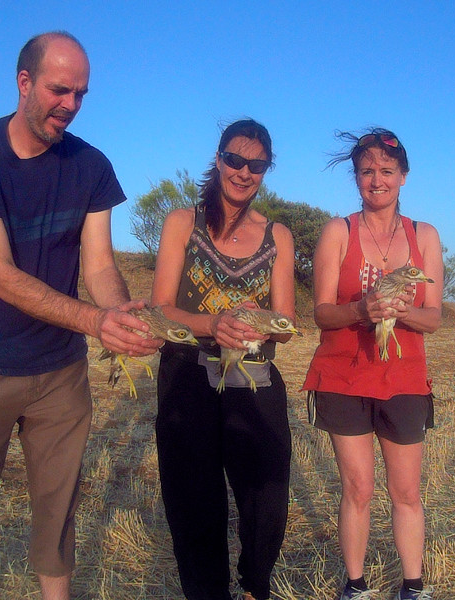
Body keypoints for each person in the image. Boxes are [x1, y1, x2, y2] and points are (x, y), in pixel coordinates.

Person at [0, 31, 161, 600]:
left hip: (59, 371)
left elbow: (100, 265)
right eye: (60, 90)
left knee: (58, 509)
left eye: (81, 94)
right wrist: (94, 323)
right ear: (24, 82)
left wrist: (120, 315)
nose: (71, 105)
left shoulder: (91, 165)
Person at [150, 119, 296, 600]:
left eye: (255, 164)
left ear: (265, 170)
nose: (243, 171)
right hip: (187, 377)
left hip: (253, 378)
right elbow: (160, 311)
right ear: (218, 159)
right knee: (194, 501)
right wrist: (214, 323)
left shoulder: (278, 236)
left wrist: (262, 320)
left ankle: (255, 584)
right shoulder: (181, 224)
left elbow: (289, 324)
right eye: (234, 159)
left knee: (268, 500)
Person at [302, 129, 443, 600]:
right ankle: (356, 585)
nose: (376, 180)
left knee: (405, 491)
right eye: (367, 171)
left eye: (386, 170)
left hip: (403, 379)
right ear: (356, 177)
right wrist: (363, 310)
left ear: (403, 176)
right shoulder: (337, 232)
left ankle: (412, 586)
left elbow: (435, 317)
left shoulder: (426, 236)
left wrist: (401, 312)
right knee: (357, 488)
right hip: (344, 376)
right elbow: (321, 313)